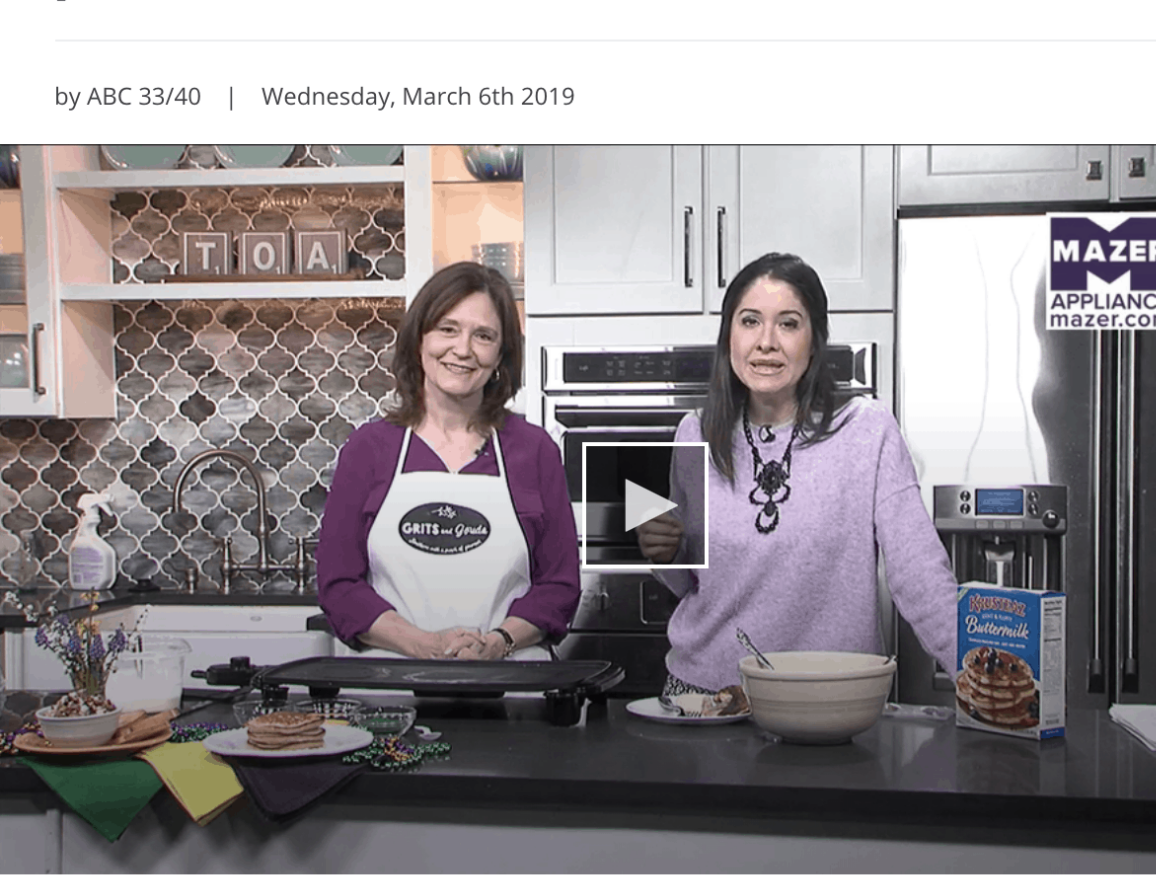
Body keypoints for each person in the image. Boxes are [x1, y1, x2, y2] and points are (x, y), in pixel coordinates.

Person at [636, 252, 957, 694]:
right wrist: (663, 553)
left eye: (788, 323)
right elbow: (690, 577)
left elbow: (920, 574)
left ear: (814, 339)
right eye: (750, 321)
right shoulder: (695, 433)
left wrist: (982, 674)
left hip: (835, 700)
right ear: (729, 334)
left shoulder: (867, 431)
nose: (766, 342)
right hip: (705, 694)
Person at [317, 261, 581, 661]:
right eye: (448, 329)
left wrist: (496, 644)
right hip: (389, 696)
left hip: (512, 692)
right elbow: (339, 587)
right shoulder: (369, 449)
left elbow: (559, 588)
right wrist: (424, 645)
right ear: (419, 338)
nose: (463, 350)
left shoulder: (534, 450)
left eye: (484, 336)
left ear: (502, 354)